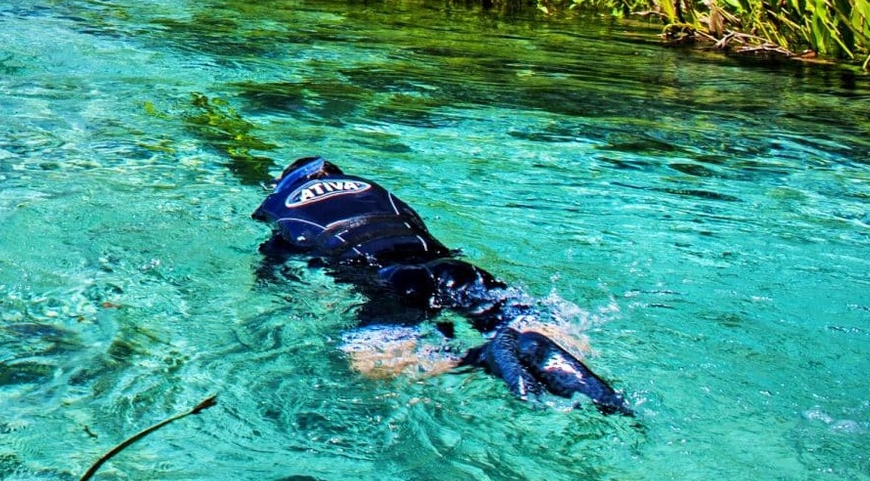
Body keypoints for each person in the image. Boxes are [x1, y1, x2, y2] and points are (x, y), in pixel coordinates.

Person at [252, 156, 629, 413]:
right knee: (531, 318)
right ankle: (538, 342)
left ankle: (479, 360)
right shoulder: (372, 188)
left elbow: (281, 276)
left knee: (371, 367)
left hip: (388, 278)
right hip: (451, 266)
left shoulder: (279, 205)